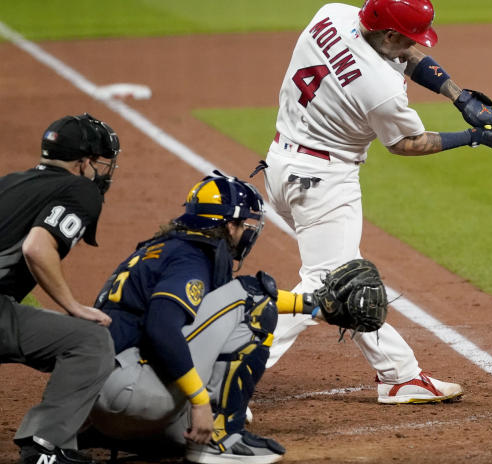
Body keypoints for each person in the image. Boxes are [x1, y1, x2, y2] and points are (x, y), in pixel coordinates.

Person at [259, 0, 492, 404]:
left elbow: (401, 51)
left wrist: (458, 94)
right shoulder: (380, 89)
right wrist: (471, 137)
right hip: (323, 183)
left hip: (281, 165)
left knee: (348, 277)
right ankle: (230, 368)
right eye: (407, 38)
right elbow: (407, 144)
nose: (412, 45)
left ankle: (399, 374)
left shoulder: (334, 13)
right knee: (328, 287)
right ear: (390, 35)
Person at [87, 172, 387, 463]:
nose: (248, 231)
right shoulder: (189, 259)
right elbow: (162, 327)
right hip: (132, 395)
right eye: (245, 223)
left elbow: (219, 302)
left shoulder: (165, 249)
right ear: (229, 225)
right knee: (254, 303)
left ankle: (127, 433)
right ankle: (224, 436)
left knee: (246, 298)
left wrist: (314, 307)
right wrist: (200, 401)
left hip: (97, 404)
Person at [0, 113, 121, 464]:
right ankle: (46, 446)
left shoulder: (9, 183)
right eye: (97, 162)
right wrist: (73, 306)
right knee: (90, 341)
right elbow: (37, 248)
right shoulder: (79, 189)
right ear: (83, 162)